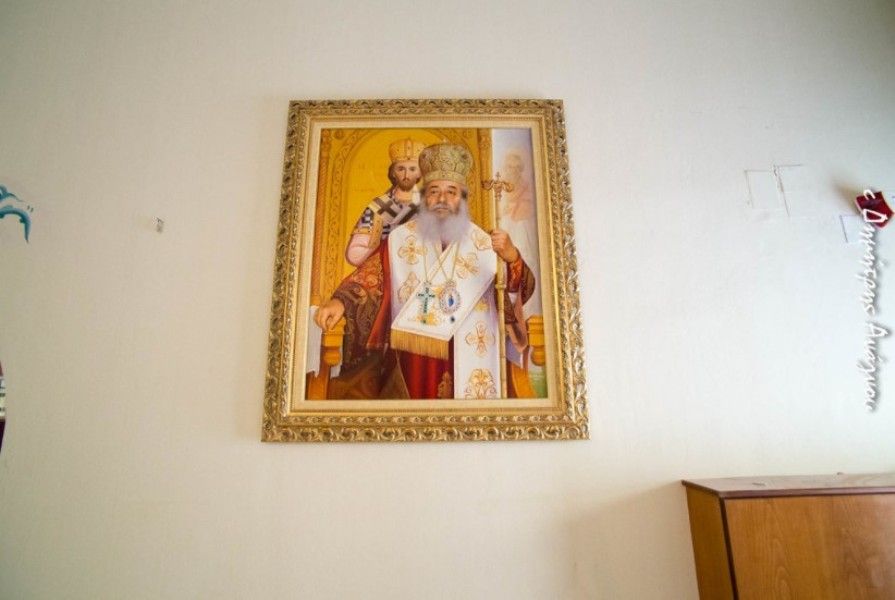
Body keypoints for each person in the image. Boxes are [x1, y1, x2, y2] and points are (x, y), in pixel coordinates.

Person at [315, 143, 536, 399]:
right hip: (415, 362)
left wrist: (512, 258)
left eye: (451, 192)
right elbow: (371, 279)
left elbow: (514, 295)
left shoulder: (486, 245)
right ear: (424, 198)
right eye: (434, 191)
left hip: (472, 352)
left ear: (463, 198)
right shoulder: (400, 240)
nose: (442, 199)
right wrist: (340, 302)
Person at [344, 138, 425, 266]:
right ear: (393, 173)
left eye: (412, 169)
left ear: (420, 173)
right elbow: (354, 254)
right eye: (401, 169)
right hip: (386, 269)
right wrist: (385, 248)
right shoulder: (379, 207)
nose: (406, 175)